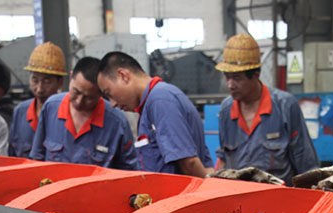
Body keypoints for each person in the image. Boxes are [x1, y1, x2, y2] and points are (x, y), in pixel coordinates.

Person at [215, 34, 319, 183]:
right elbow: (223, 159)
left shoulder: (285, 106)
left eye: (237, 78)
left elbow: (306, 163)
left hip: (278, 195)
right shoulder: (226, 110)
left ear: (256, 75)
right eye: (227, 77)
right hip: (239, 195)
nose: (230, 85)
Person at [97, 51, 213, 176]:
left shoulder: (160, 100)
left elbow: (189, 163)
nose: (112, 104)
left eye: (109, 94)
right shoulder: (152, 103)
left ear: (123, 76)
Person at [30, 56, 138, 170]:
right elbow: (37, 158)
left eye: (89, 97)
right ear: (71, 77)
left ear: (102, 92)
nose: (79, 101)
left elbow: (129, 170)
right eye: (76, 92)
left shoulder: (117, 123)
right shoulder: (51, 108)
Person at [10, 42, 66, 159]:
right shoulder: (20, 112)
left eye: (47, 81)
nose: (39, 88)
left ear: (60, 82)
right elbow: (12, 155)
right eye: (35, 80)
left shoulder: (66, 115)